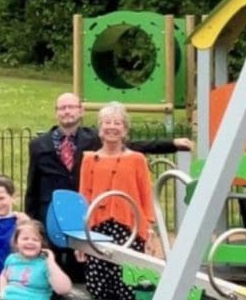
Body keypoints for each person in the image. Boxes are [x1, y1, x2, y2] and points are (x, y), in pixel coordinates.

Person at [24, 92, 192, 280]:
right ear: (56, 112)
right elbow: (32, 185)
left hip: (88, 211)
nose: (67, 111)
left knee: (85, 272)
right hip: (52, 213)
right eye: (62, 108)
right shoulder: (39, 144)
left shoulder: (93, 138)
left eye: (71, 107)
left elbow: (131, 146)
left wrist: (172, 144)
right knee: (50, 271)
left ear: (81, 111)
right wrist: (31, 220)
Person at [77, 102, 157, 300]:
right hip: (97, 229)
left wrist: (149, 229)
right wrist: (81, 237)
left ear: (125, 130)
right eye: (107, 122)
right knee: (99, 287)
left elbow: (146, 195)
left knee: (129, 286)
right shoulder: (89, 159)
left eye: (117, 123)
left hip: (129, 227)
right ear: (100, 128)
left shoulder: (137, 159)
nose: (112, 127)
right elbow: (83, 196)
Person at [0, 220, 72, 300]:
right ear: (16, 242)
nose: (30, 242)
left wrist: (51, 262)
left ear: (41, 244)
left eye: (35, 240)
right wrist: (2, 294)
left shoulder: (45, 264)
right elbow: (3, 276)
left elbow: (64, 290)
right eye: (25, 239)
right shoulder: (11, 259)